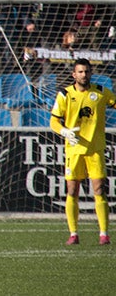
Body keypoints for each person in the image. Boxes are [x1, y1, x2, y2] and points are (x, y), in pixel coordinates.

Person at [50, 58, 116, 246]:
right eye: (80, 72)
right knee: (72, 190)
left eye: (86, 71)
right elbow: (53, 121)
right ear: (74, 74)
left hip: (94, 149)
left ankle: (104, 234)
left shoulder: (101, 92)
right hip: (74, 150)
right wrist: (64, 131)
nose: (83, 75)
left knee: (99, 189)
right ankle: (73, 233)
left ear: (90, 73)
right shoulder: (64, 95)